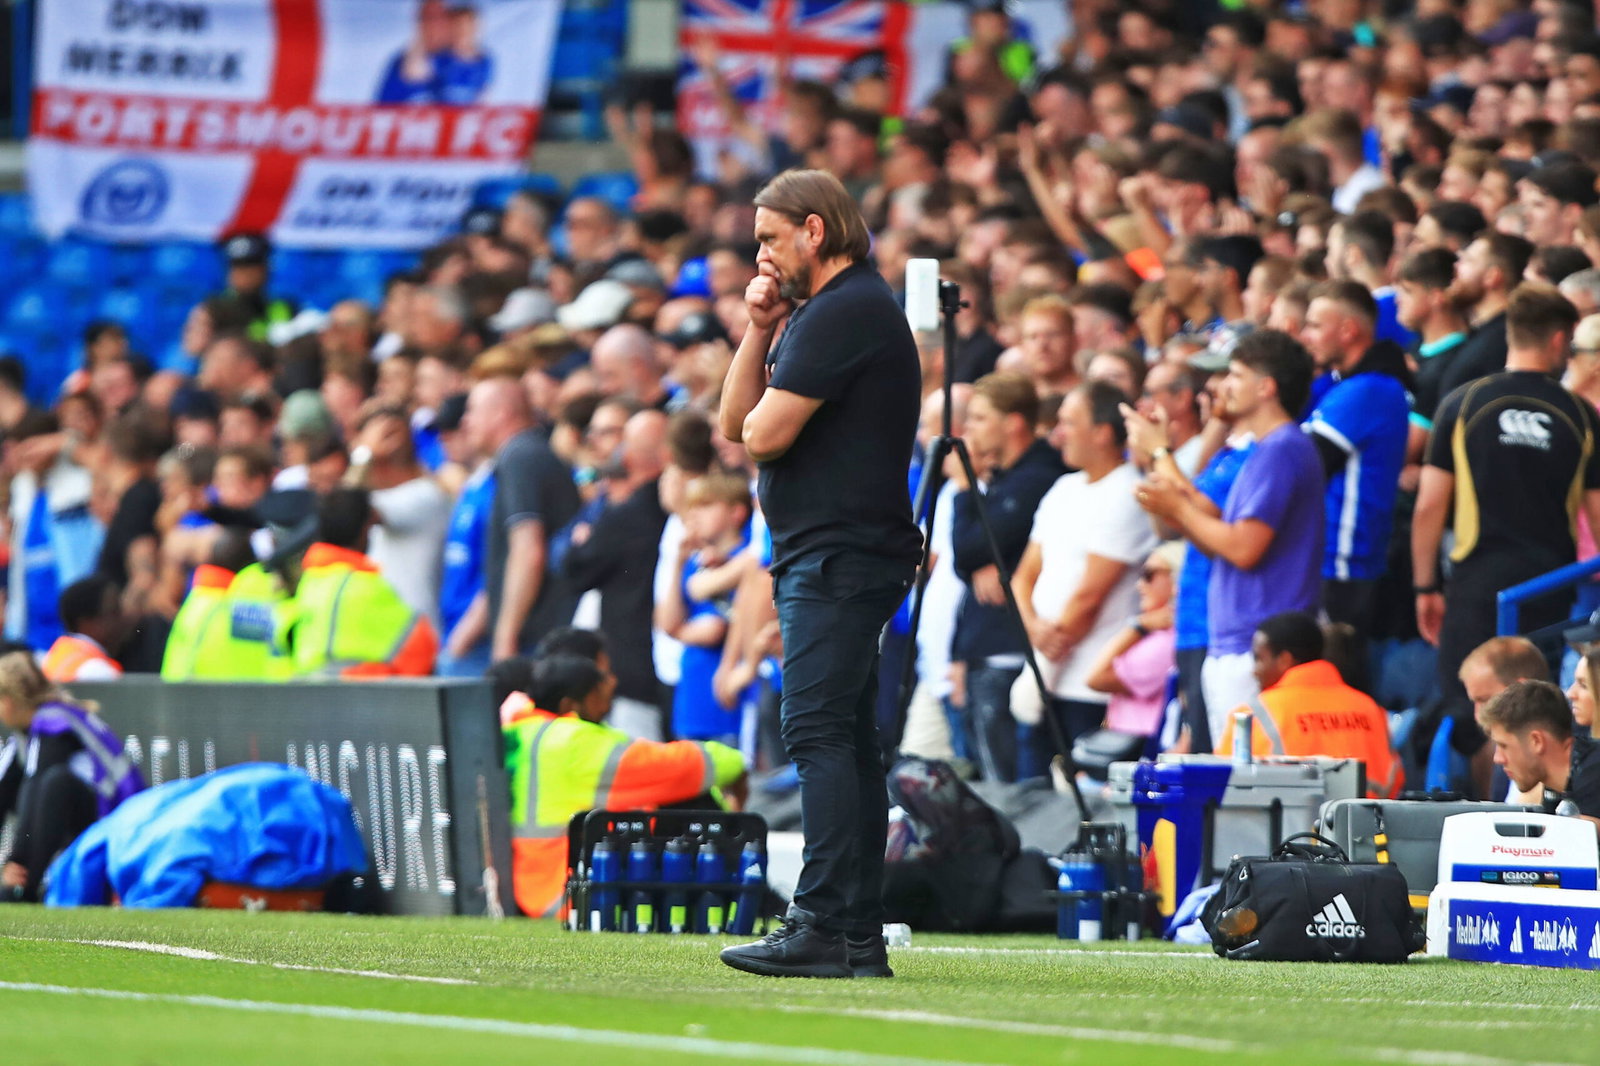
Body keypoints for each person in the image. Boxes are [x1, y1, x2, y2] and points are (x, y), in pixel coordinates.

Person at [716, 169, 920, 979]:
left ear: (815, 229)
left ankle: (824, 923)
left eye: (771, 237)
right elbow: (732, 422)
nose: (760, 256)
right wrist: (758, 327)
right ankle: (854, 934)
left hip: (841, 553)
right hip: (830, 551)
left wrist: (773, 357)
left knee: (817, 731)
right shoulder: (818, 312)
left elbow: (763, 436)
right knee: (847, 739)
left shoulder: (847, 309)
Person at [1414, 284, 1600, 798]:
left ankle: (1485, 818)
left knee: (1481, 710)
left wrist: (1425, 586)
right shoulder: (1581, 414)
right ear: (1559, 340)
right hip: (1550, 585)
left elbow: (1429, 505)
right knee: (1535, 711)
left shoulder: (1463, 402)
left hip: (1476, 580)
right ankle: (1529, 819)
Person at [1136, 329, 1324, 746]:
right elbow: (1216, 539)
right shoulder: (1267, 450)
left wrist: (1177, 503)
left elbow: (1243, 548)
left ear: (1266, 387)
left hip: (1259, 644)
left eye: (1236, 375)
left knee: (1253, 776)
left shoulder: (1282, 449)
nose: (1223, 386)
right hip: (1238, 643)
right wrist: (1171, 502)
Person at [500, 650, 747, 919]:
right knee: (689, 802)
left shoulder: (518, 732)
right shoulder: (572, 742)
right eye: (598, 691)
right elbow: (680, 766)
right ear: (570, 704)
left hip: (528, 886)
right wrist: (735, 762)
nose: (609, 690)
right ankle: (745, 900)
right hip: (566, 892)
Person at [1012, 381, 1157, 772]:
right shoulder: (1062, 487)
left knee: (1082, 797)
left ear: (1102, 433)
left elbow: (1089, 597)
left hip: (1087, 686)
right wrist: (1033, 631)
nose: (1058, 434)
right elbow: (1023, 576)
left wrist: (1045, 652)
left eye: (1069, 423)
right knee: (1030, 793)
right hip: (1042, 672)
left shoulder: (1127, 491)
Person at [951, 372, 1065, 782]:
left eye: (980, 418)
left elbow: (967, 548)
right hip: (987, 646)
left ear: (1014, 423)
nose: (968, 430)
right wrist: (978, 562)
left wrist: (964, 487)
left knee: (1011, 784)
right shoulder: (1005, 477)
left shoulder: (1037, 476)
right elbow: (967, 559)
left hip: (1010, 649)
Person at [559, 410, 671, 740]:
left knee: (643, 760)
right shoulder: (660, 507)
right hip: (658, 662)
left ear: (631, 456)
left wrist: (584, 539)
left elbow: (574, 569)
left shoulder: (628, 515)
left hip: (633, 669)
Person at [0, 651, 143, 902]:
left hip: (122, 826)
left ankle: (26, 885)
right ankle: (24, 880)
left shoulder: (53, 721)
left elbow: (36, 786)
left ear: (9, 700)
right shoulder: (25, 737)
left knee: (54, 783)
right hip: (104, 822)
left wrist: (17, 862)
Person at [1215, 611, 1403, 798]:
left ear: (1284, 660)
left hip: (1289, 817)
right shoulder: (1370, 708)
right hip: (1370, 817)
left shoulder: (1250, 716)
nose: (1254, 671)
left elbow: (1218, 785)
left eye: (1259, 658)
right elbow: (1395, 778)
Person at [464, 376, 580, 661]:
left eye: (472, 410)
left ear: (501, 413)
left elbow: (528, 551)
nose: (465, 421)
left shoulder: (521, 455)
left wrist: (505, 638)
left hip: (535, 640)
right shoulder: (525, 452)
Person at [285, 488, 438, 677]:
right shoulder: (368, 587)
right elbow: (422, 650)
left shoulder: (310, 582)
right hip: (361, 693)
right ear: (365, 529)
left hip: (305, 690)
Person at [657, 469, 751, 745]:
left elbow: (713, 629)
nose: (694, 515)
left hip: (730, 706)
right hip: (692, 705)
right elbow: (666, 623)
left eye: (706, 505)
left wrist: (681, 630)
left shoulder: (745, 559)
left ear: (736, 512)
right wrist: (678, 562)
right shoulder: (695, 562)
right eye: (692, 507)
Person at [1083, 540, 1182, 742]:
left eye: (1148, 575)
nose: (1140, 584)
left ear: (1176, 577)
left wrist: (1136, 627)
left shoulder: (1167, 641)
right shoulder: (1161, 634)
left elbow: (1095, 678)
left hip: (1139, 745)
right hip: (1130, 741)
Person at [1479, 679, 1600, 826]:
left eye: (1503, 746)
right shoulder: (1558, 788)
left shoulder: (1594, 774)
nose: (1498, 758)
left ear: (1537, 741)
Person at [41, 575, 127, 682]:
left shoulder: (53, 657)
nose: (123, 618)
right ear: (86, 623)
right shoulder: (97, 671)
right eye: (114, 612)